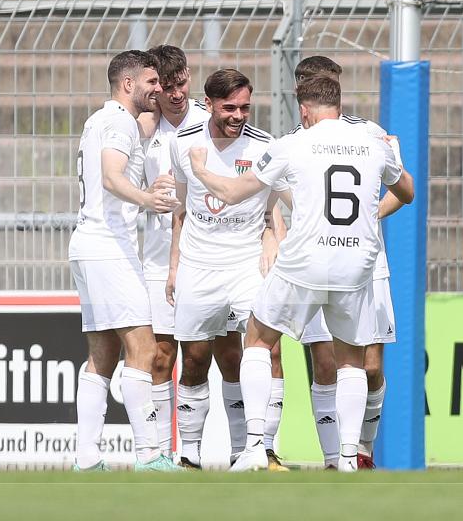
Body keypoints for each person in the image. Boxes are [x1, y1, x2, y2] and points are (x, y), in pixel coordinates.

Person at [188, 76, 414, 472]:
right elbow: (408, 191)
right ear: (339, 107)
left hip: (306, 260)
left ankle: (256, 448)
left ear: (305, 111)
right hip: (356, 264)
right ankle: (347, 457)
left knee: (257, 339)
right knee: (351, 361)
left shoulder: (292, 144)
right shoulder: (375, 142)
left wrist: (201, 171)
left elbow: (233, 193)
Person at [167, 68, 288, 469]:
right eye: (229, 107)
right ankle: (189, 453)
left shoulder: (264, 145)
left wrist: (273, 241)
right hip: (199, 264)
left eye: (245, 107)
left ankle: (257, 449)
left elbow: (272, 204)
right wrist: (174, 266)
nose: (238, 115)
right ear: (209, 104)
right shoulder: (184, 144)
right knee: (197, 358)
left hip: (245, 262)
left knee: (264, 350)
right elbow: (180, 210)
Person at [68, 50, 182, 472]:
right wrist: (149, 198)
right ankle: (150, 456)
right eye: (152, 81)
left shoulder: (99, 120)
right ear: (128, 84)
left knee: (102, 356)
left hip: (88, 244)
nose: (159, 88)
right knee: (144, 348)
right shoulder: (119, 121)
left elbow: (111, 179)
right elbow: (111, 177)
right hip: (108, 248)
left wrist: (146, 190)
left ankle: (86, 459)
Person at [293, 56, 409, 469]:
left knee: (371, 365)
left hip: (366, 265)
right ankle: (334, 461)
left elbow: (404, 188)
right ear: (300, 94)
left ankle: (363, 449)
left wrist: (371, 214)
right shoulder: (292, 143)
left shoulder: (369, 135)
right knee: (326, 364)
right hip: (316, 263)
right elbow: (271, 198)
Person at [138, 45, 205, 459]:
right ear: (155, 89)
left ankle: (196, 454)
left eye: (182, 83)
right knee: (161, 354)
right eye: (168, 87)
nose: (177, 93)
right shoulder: (143, 129)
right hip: (158, 256)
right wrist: (146, 194)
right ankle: (162, 456)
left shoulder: (208, 122)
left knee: (202, 354)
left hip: (203, 256)